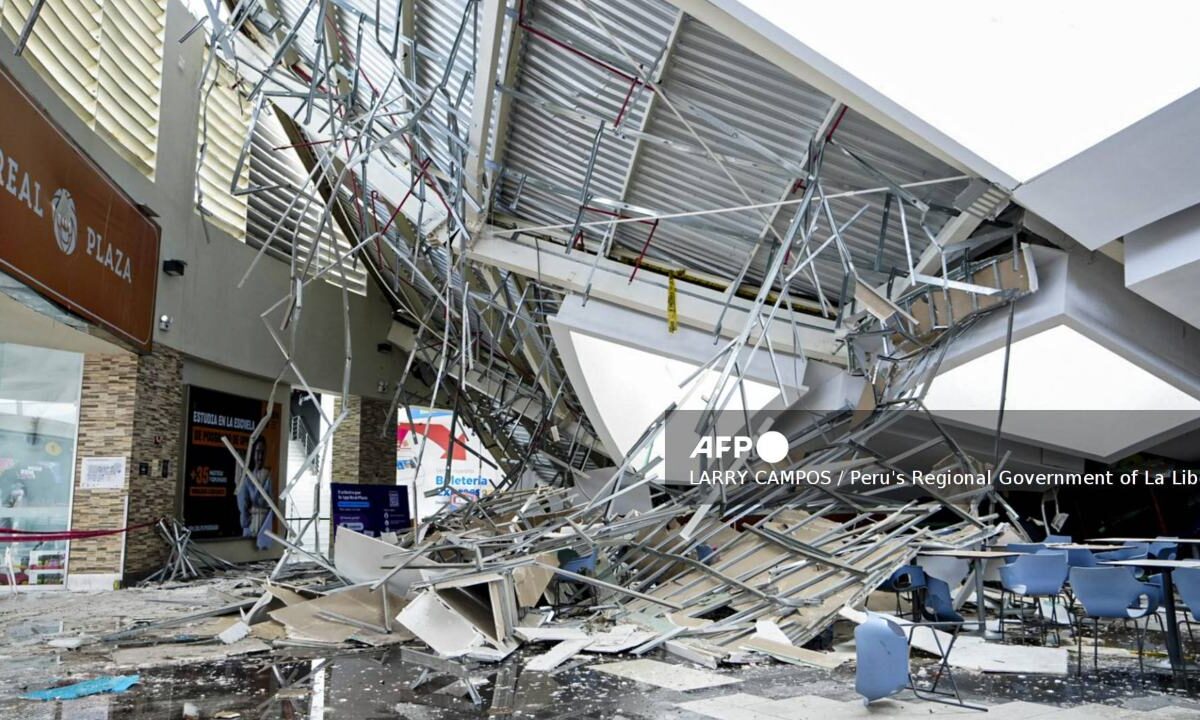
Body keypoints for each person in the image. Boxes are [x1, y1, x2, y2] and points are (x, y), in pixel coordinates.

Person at [236, 437, 274, 550]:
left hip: (264, 526)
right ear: (253, 454)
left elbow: (268, 502)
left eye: (263, 452)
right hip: (251, 526)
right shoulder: (248, 478)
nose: (260, 457)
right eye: (258, 452)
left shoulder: (268, 476)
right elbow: (243, 505)